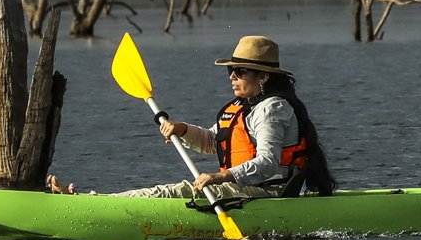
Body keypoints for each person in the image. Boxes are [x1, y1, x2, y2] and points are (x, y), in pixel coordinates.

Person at [47, 34, 334, 200]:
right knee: (172, 191)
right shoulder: (244, 107)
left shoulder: (273, 109)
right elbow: (213, 141)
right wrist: (182, 129)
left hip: (270, 193)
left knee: (172, 192)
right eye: (230, 71)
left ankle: (90, 202)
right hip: (244, 186)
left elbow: (267, 162)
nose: (232, 76)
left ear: (263, 77)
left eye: (240, 71)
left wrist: (221, 176)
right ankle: (89, 200)